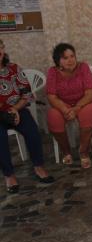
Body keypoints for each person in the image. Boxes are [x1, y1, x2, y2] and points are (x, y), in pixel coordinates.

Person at [0, 40, 54, 193]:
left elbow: (28, 94)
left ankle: (38, 166)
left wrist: (15, 109)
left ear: (3, 50)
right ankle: (9, 175)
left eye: (0, 48)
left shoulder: (14, 69)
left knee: (32, 131)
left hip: (17, 109)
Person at [46, 43, 92, 169]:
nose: (70, 60)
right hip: (63, 104)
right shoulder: (53, 72)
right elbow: (51, 96)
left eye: (72, 56)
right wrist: (65, 109)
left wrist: (77, 108)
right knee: (53, 116)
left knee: (90, 111)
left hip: (83, 102)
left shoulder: (83, 67)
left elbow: (90, 93)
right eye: (65, 58)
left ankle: (83, 152)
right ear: (58, 60)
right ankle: (66, 151)